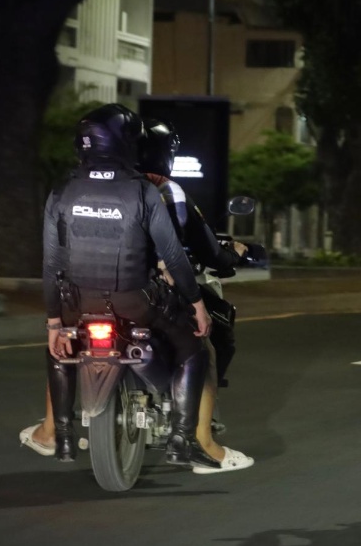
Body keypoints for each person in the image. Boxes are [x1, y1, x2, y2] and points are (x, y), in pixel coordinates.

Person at [22, 117, 255, 473]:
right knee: (199, 346)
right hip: (140, 297)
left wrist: (53, 319)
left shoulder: (69, 189)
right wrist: (197, 301)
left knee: (62, 344)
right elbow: (179, 253)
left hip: (79, 299)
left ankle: (52, 430)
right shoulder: (157, 192)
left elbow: (52, 260)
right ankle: (200, 443)